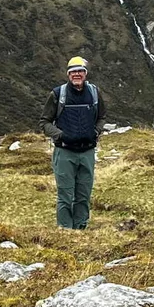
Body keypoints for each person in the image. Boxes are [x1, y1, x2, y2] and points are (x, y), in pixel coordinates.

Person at [43, 56, 105, 229]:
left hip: (87, 152)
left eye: (80, 71)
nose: (77, 74)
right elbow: (45, 122)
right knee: (65, 195)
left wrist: (95, 132)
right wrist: (61, 135)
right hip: (65, 153)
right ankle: (65, 229)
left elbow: (101, 117)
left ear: (85, 74)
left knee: (83, 194)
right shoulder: (57, 94)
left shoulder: (94, 93)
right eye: (73, 72)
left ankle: (81, 227)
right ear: (68, 74)